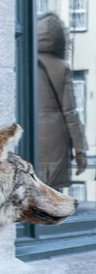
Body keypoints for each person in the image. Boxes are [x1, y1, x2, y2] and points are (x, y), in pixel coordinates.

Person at [35, 11, 87, 188]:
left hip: (32, 132)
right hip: (57, 138)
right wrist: (80, 149)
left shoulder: (26, 61)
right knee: (54, 194)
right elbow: (70, 113)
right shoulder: (61, 66)